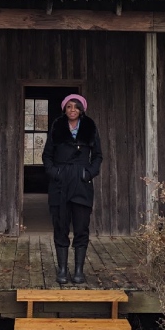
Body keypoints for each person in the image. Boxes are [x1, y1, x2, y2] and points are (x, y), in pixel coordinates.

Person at [42, 94, 103, 285]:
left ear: (82, 109)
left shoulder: (90, 127)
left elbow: (98, 156)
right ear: (64, 109)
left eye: (76, 107)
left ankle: (78, 271)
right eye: (69, 106)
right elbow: (47, 156)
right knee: (60, 226)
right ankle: (61, 270)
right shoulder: (57, 127)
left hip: (82, 183)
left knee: (81, 227)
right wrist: (56, 173)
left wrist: (88, 173)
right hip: (60, 183)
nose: (72, 110)